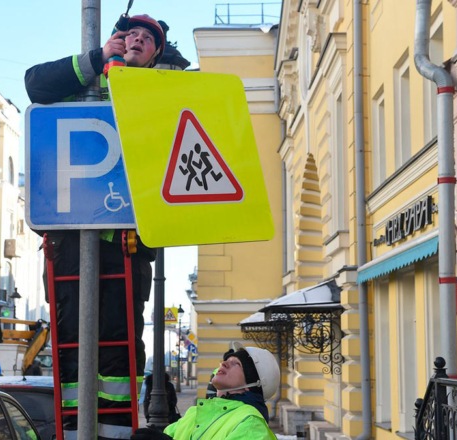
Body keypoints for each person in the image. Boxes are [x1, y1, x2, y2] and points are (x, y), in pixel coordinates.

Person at [24, 14, 165, 440]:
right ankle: (74, 428)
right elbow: (35, 85)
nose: (137, 40)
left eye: (147, 38)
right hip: (71, 241)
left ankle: (115, 432)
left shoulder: (158, 90)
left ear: (155, 54)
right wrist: (97, 58)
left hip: (126, 245)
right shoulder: (85, 80)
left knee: (120, 345)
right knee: (72, 340)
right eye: (131, 34)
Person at [131, 342, 279, 440]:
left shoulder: (251, 424)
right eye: (226, 360)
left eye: (237, 364)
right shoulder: (195, 412)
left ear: (251, 385)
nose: (224, 363)